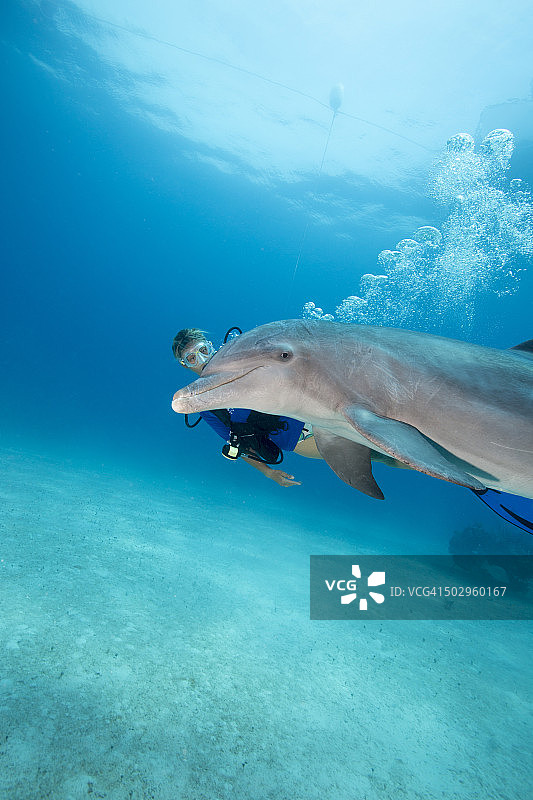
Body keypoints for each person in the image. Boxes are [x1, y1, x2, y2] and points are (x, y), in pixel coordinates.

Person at [172, 327, 322, 487]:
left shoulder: (241, 359)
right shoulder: (205, 405)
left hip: (316, 408)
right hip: (301, 439)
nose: (203, 359)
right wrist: (269, 472)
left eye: (203, 350)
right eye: (192, 358)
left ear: (210, 346)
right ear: (185, 365)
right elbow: (237, 443)